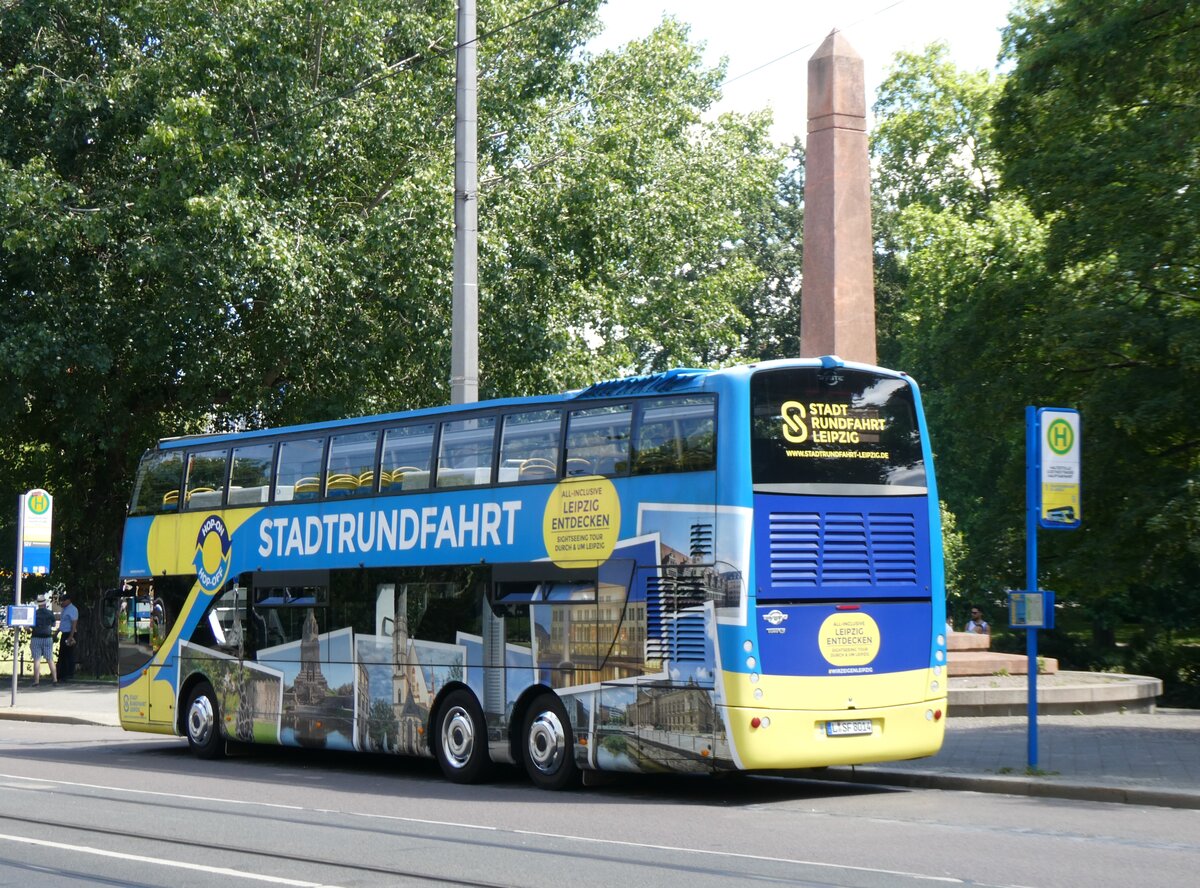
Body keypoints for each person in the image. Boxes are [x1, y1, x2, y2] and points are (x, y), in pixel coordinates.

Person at [30, 595, 57, 686]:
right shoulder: (50, 613)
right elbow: (53, 625)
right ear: (45, 603)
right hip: (48, 638)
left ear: (38, 604)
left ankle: (36, 681)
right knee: (50, 659)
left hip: (36, 637)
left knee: (37, 660)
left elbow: (30, 626)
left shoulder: (34, 613)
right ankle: (55, 679)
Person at [56, 591, 79, 681]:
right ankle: (61, 674)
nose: (62, 603)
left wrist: (71, 636)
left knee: (68, 654)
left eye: (63, 601)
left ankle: (69, 673)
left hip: (70, 633)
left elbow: (74, 624)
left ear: (68, 600)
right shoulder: (64, 609)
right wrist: (56, 633)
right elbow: (63, 624)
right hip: (64, 633)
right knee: (62, 654)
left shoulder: (72, 609)